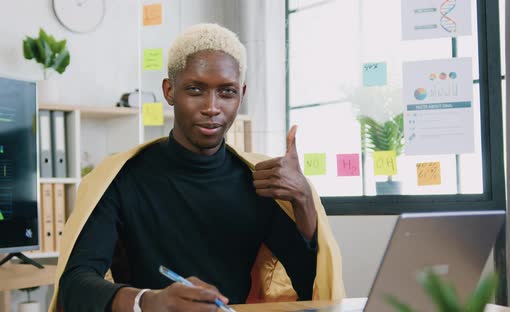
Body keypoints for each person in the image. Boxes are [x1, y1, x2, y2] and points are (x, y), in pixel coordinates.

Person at [49, 23, 344, 312]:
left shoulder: (257, 180)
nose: (212, 107)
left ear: (241, 94)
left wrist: (303, 199)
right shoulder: (121, 177)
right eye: (195, 89)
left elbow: (310, 290)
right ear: (169, 91)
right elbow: (75, 284)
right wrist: (148, 301)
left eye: (226, 92)